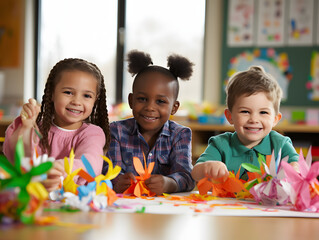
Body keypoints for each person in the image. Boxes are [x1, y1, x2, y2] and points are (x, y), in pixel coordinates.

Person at [3, 58, 110, 191]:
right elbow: (16, 157)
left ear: (96, 99)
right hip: (35, 200)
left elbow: (91, 163)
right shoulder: (38, 129)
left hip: (74, 203)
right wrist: (26, 127)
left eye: (87, 96)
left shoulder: (93, 133)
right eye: (68, 92)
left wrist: (55, 169)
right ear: (52, 93)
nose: (77, 101)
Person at [103, 50, 195, 195]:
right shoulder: (116, 131)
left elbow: (187, 177)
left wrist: (169, 184)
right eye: (142, 99)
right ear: (131, 101)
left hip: (164, 209)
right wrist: (117, 181)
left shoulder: (180, 134)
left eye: (160, 101)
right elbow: (108, 172)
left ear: (174, 107)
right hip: (125, 207)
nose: (150, 107)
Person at [191, 66, 299, 182]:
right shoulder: (220, 144)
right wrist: (207, 167)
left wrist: (294, 169)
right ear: (229, 116)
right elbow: (195, 173)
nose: (254, 119)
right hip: (226, 200)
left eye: (263, 112)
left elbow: (298, 167)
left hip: (266, 200)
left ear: (275, 119)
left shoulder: (280, 145)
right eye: (245, 111)